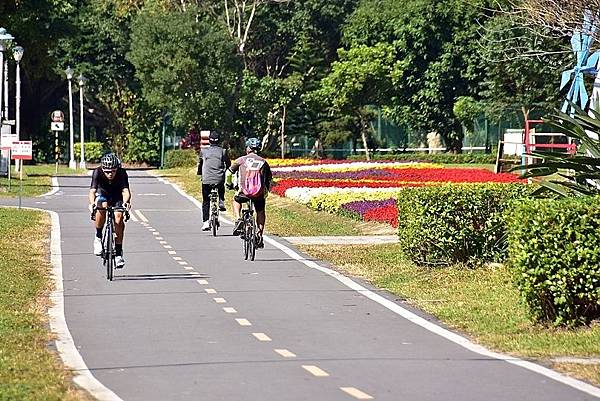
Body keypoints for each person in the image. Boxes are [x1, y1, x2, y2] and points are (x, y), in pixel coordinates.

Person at [227, 137, 272, 248]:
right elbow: (268, 179)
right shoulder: (263, 162)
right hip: (258, 194)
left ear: (248, 148)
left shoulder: (241, 160)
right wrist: (265, 191)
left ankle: (238, 219)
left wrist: (229, 184)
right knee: (260, 211)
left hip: (243, 192)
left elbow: (228, 173)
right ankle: (259, 235)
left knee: (236, 200)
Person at [88, 153, 131, 268]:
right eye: (107, 171)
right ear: (102, 169)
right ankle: (98, 237)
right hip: (103, 194)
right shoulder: (97, 172)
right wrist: (92, 204)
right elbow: (92, 191)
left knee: (119, 218)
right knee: (101, 206)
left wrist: (126, 203)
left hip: (117, 196)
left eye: (113, 171)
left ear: (117, 169)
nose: (110, 174)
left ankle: (118, 253)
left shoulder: (122, 173)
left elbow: (125, 191)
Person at [197, 131, 231, 231]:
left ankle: (206, 222)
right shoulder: (223, 151)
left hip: (206, 180)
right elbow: (228, 164)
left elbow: (200, 164)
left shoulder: (203, 151)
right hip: (219, 178)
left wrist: (200, 173)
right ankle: (221, 200)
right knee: (221, 185)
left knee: (206, 201)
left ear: (209, 140)